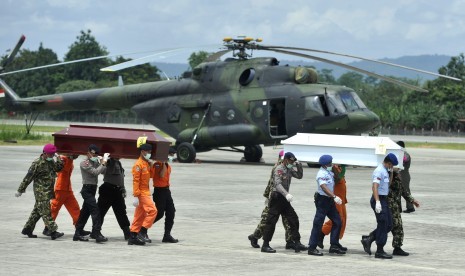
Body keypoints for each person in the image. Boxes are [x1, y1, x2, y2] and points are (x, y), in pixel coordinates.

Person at [248, 150, 298, 250]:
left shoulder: (287, 168)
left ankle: (290, 241)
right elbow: (272, 183)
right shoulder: (277, 167)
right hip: (274, 197)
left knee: (288, 220)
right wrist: (268, 196)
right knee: (267, 220)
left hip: (283, 197)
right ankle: (254, 236)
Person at [15, 144, 64, 240]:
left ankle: (27, 229)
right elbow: (28, 177)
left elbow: (59, 168)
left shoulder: (51, 161)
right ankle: (53, 231)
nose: (51, 156)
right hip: (40, 191)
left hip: (48, 190)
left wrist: (58, 157)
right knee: (46, 212)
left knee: (37, 212)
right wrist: (20, 190)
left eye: (53, 154)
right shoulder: (37, 163)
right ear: (44, 153)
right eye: (50, 154)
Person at [261, 152, 306, 253]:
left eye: (293, 161)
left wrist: (299, 165)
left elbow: (299, 176)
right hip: (277, 197)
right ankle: (265, 245)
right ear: (285, 160)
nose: (291, 163)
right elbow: (277, 184)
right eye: (290, 161)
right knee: (271, 221)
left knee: (293, 219)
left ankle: (297, 242)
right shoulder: (279, 169)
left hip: (285, 199)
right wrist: (286, 194)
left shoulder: (289, 168)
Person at [360, 153, 398, 259]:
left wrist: (391, 173)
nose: (392, 167)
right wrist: (377, 202)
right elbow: (375, 187)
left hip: (384, 199)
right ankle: (379, 251)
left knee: (389, 225)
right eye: (392, 165)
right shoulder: (379, 171)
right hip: (379, 199)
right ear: (389, 163)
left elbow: (388, 184)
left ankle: (369, 239)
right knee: (383, 224)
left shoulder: (385, 171)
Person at [308, 155, 346, 256]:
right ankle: (312, 247)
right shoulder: (321, 173)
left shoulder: (329, 171)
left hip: (329, 200)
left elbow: (337, 179)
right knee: (318, 223)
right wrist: (334, 196)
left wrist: (335, 170)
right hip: (322, 200)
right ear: (325, 165)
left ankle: (334, 245)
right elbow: (324, 187)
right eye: (330, 163)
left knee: (337, 220)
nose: (332, 164)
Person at [45, 153, 90, 237]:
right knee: (54, 208)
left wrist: (71, 158)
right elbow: (63, 169)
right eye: (76, 155)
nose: (77, 156)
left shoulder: (70, 159)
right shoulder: (63, 158)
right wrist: (70, 158)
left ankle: (79, 228)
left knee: (75, 208)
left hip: (68, 189)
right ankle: (47, 228)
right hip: (60, 188)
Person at [73, 144, 108, 243]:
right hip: (87, 189)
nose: (94, 156)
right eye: (93, 154)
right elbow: (96, 172)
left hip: (92, 189)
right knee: (95, 210)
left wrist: (102, 162)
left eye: (96, 154)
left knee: (85, 212)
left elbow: (103, 171)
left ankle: (77, 233)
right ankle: (96, 233)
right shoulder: (84, 163)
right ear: (88, 153)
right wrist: (103, 162)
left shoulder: (95, 162)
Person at [128, 143, 158, 246]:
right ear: (142, 152)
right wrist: (136, 195)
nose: (149, 154)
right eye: (148, 152)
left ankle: (132, 237)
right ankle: (143, 231)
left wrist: (151, 165)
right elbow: (135, 181)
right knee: (153, 211)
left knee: (139, 216)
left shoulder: (146, 163)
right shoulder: (138, 165)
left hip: (146, 191)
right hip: (141, 193)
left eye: (150, 152)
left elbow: (151, 176)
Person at [386, 169, 420, 256]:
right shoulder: (388, 176)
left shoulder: (396, 176)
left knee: (392, 227)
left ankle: (397, 247)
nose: (400, 169)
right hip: (390, 206)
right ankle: (370, 239)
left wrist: (412, 201)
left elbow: (403, 191)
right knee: (394, 227)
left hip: (395, 206)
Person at [98, 156, 131, 240]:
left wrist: (123, 188)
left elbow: (120, 177)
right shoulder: (109, 161)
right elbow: (103, 169)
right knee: (100, 212)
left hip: (117, 191)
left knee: (121, 212)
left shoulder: (118, 163)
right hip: (107, 190)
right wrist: (105, 158)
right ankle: (96, 231)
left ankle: (127, 232)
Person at [151, 147, 179, 243]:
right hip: (159, 192)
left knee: (171, 212)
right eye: (171, 154)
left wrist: (165, 163)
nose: (172, 157)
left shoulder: (168, 165)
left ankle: (167, 235)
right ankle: (142, 228)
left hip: (166, 191)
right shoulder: (158, 164)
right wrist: (162, 162)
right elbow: (162, 175)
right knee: (159, 214)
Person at [318, 164, 348, 250]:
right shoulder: (334, 167)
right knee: (338, 220)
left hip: (341, 199)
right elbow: (337, 179)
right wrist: (341, 172)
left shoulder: (340, 167)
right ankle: (322, 234)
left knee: (343, 220)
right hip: (336, 198)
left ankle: (336, 242)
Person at [397, 141, 415, 213]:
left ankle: (410, 207)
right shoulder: (401, 153)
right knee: (398, 192)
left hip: (404, 176)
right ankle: (398, 208)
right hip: (400, 175)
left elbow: (404, 159)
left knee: (406, 192)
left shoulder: (405, 154)